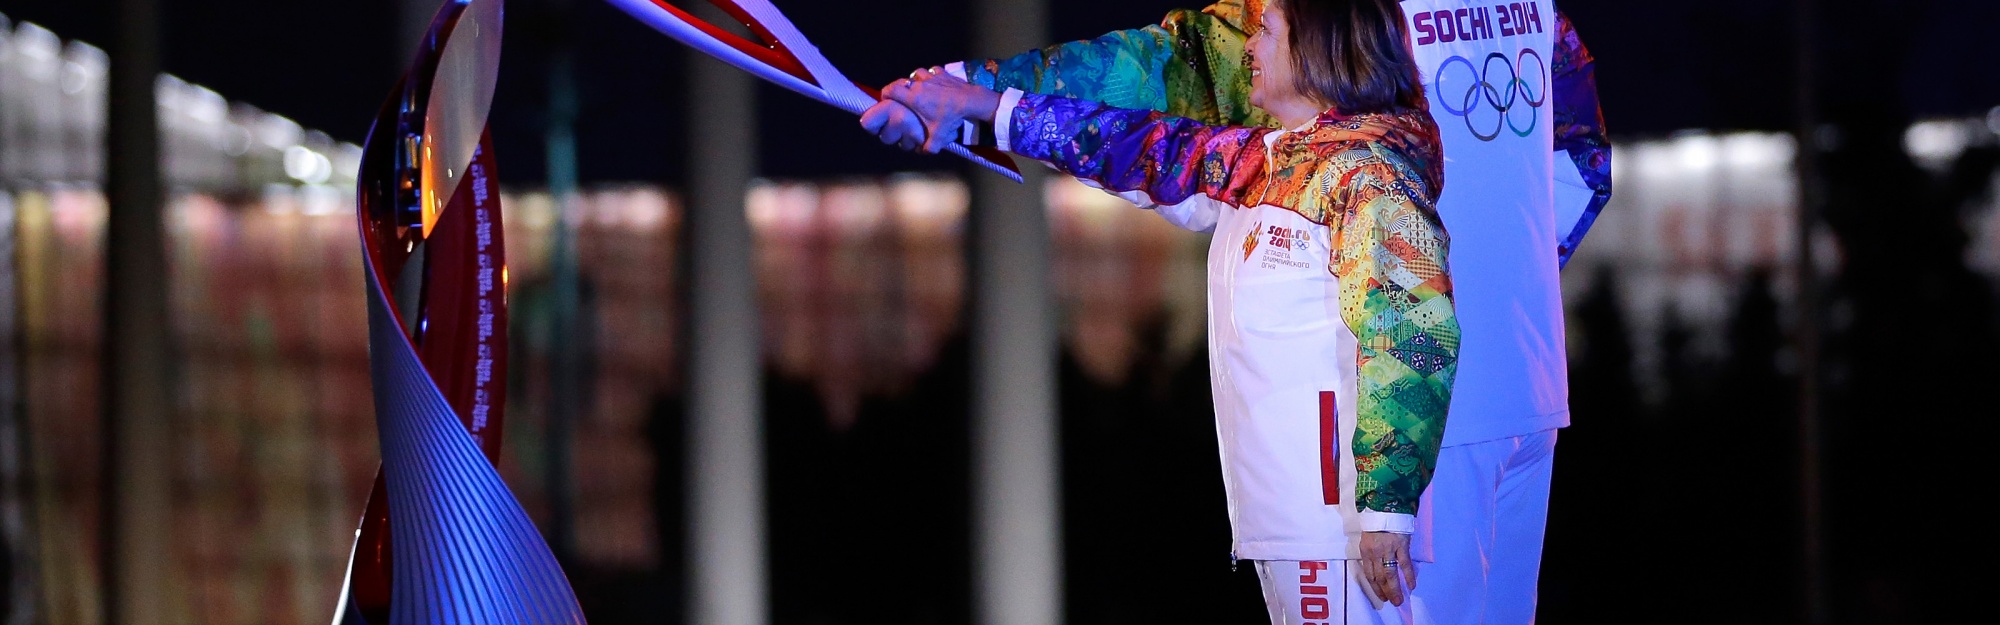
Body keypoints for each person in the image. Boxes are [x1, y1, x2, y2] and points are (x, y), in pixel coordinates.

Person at [869, 1, 1610, 623]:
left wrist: (964, 88)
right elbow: (1583, 161)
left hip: (1393, 426)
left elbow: (1165, 70)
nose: (1255, 36)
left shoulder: (1329, 29)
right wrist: (1490, 285)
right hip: (1520, 391)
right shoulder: (1530, 10)